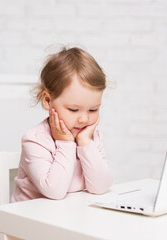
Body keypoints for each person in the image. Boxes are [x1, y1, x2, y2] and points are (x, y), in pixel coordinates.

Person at [12, 46, 113, 202]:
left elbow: (100, 187)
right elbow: (54, 191)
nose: (84, 119)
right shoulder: (34, 140)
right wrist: (65, 142)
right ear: (47, 100)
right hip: (31, 219)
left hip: (69, 214)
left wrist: (85, 143)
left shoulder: (89, 138)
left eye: (93, 110)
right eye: (73, 109)